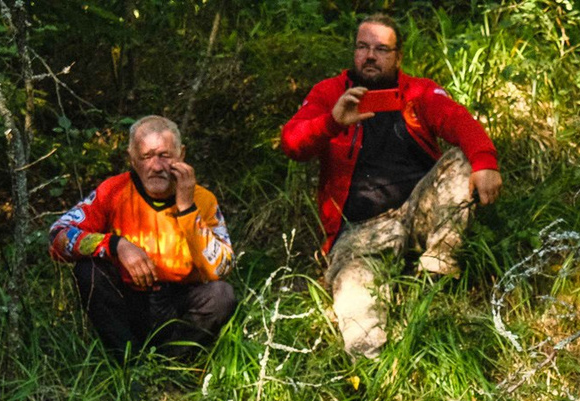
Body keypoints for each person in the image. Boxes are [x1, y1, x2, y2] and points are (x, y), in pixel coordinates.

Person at [278, 13, 502, 359]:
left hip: (418, 213)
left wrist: (485, 161)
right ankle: (377, 373)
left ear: (398, 57)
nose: (370, 56)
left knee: (463, 158)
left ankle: (435, 273)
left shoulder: (418, 92)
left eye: (381, 49)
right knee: (359, 320)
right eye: (362, 47)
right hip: (360, 233)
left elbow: (458, 120)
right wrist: (332, 122)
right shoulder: (329, 93)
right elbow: (292, 143)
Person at [48, 115, 237, 361]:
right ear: (132, 158)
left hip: (181, 304)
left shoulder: (203, 199)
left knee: (222, 295)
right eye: (146, 157)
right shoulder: (113, 191)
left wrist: (187, 209)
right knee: (89, 271)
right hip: (129, 302)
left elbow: (221, 269)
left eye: (165, 156)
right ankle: (128, 364)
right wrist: (115, 245)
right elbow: (58, 236)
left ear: (181, 155)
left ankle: (173, 365)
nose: (156, 166)